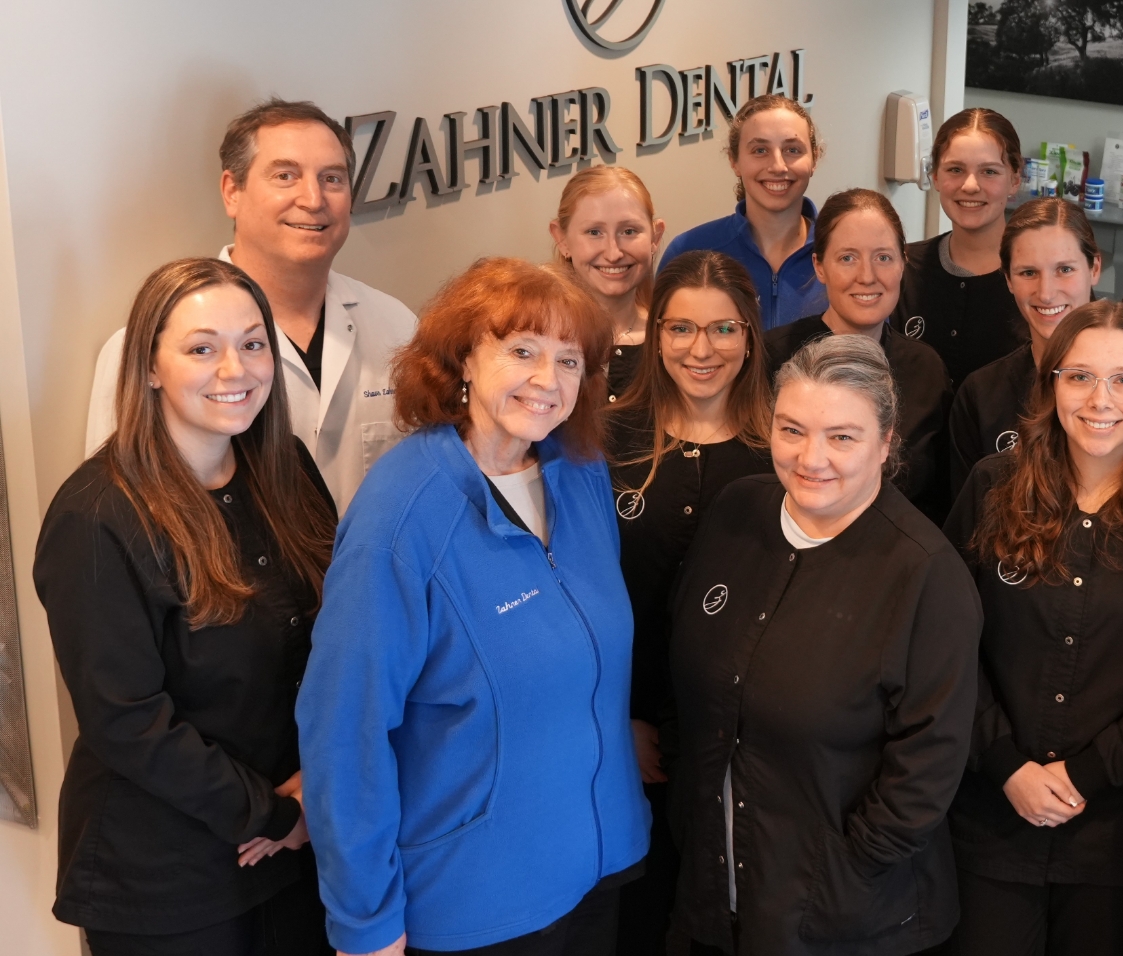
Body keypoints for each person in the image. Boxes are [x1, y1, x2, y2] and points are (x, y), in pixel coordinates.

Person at [297, 258, 649, 956]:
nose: (548, 380)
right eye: (522, 352)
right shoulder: (400, 516)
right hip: (480, 899)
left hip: (599, 864)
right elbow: (344, 728)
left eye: (569, 361)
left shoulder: (580, 470)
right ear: (463, 359)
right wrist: (366, 921)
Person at [36, 258, 338, 955]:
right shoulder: (97, 516)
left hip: (297, 845)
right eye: (202, 348)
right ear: (149, 366)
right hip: (167, 877)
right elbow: (127, 721)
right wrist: (271, 813)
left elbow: (340, 639)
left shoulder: (287, 470)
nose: (236, 369)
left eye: (253, 343)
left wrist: (317, 785)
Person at [667, 333, 980, 956]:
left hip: (846, 917)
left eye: (842, 436)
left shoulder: (925, 573)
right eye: (792, 430)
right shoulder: (736, 510)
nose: (811, 458)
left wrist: (844, 875)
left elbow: (928, 768)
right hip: (713, 892)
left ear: (886, 443)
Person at [943, 301, 1123, 956]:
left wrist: (1093, 772)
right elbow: (946, 643)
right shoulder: (992, 488)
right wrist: (1005, 762)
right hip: (991, 818)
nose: (1102, 399)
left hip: (1115, 830)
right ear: (1051, 386)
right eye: (1079, 377)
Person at [84, 98, 421, 514]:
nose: (313, 198)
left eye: (332, 178)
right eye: (285, 176)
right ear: (232, 192)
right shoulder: (145, 348)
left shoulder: (396, 326)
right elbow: (114, 512)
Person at [601, 250, 774, 956]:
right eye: (680, 329)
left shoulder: (782, 447)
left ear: (751, 335)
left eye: (723, 329)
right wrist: (621, 719)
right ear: (655, 335)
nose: (701, 350)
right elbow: (580, 596)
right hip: (627, 732)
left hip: (750, 742)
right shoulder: (607, 438)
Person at [765, 188, 952, 516]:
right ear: (819, 266)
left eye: (883, 258)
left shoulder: (925, 369)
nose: (867, 276)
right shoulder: (773, 356)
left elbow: (938, 496)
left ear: (903, 264)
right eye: (847, 258)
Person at [948, 196, 1102, 489]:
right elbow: (968, 508)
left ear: (1094, 268)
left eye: (1064, 270)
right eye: (1028, 273)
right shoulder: (981, 395)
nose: (1046, 293)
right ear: (1008, 279)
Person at [659, 94, 826, 330]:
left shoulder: (840, 253)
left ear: (814, 158)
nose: (778, 166)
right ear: (734, 160)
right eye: (760, 150)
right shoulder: (689, 250)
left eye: (792, 149)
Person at [896, 108, 1028, 384]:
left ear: (1015, 180)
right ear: (935, 176)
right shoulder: (902, 267)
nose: (970, 186)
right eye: (955, 169)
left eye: (989, 171)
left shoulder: (1041, 277)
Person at [549, 165, 667, 399]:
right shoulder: (538, 339)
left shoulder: (676, 341)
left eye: (629, 231)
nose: (614, 254)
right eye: (594, 232)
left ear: (655, 237)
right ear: (562, 240)